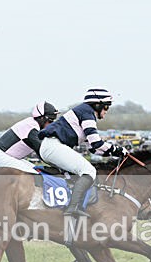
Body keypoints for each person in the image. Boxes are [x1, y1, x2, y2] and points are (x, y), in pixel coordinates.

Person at [37, 87, 126, 217]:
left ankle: (68, 205)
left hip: (51, 147)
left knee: (79, 174)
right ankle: (72, 208)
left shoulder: (83, 112)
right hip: (54, 147)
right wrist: (117, 150)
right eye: (106, 107)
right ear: (97, 105)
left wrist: (112, 153)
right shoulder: (87, 113)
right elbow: (97, 142)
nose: (106, 111)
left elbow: (93, 148)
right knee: (89, 171)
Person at [0, 101, 58, 174]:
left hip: (11, 157)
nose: (51, 125)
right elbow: (42, 151)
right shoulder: (31, 127)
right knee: (35, 176)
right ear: (42, 118)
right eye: (50, 121)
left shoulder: (33, 125)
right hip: (3, 158)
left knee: (36, 170)